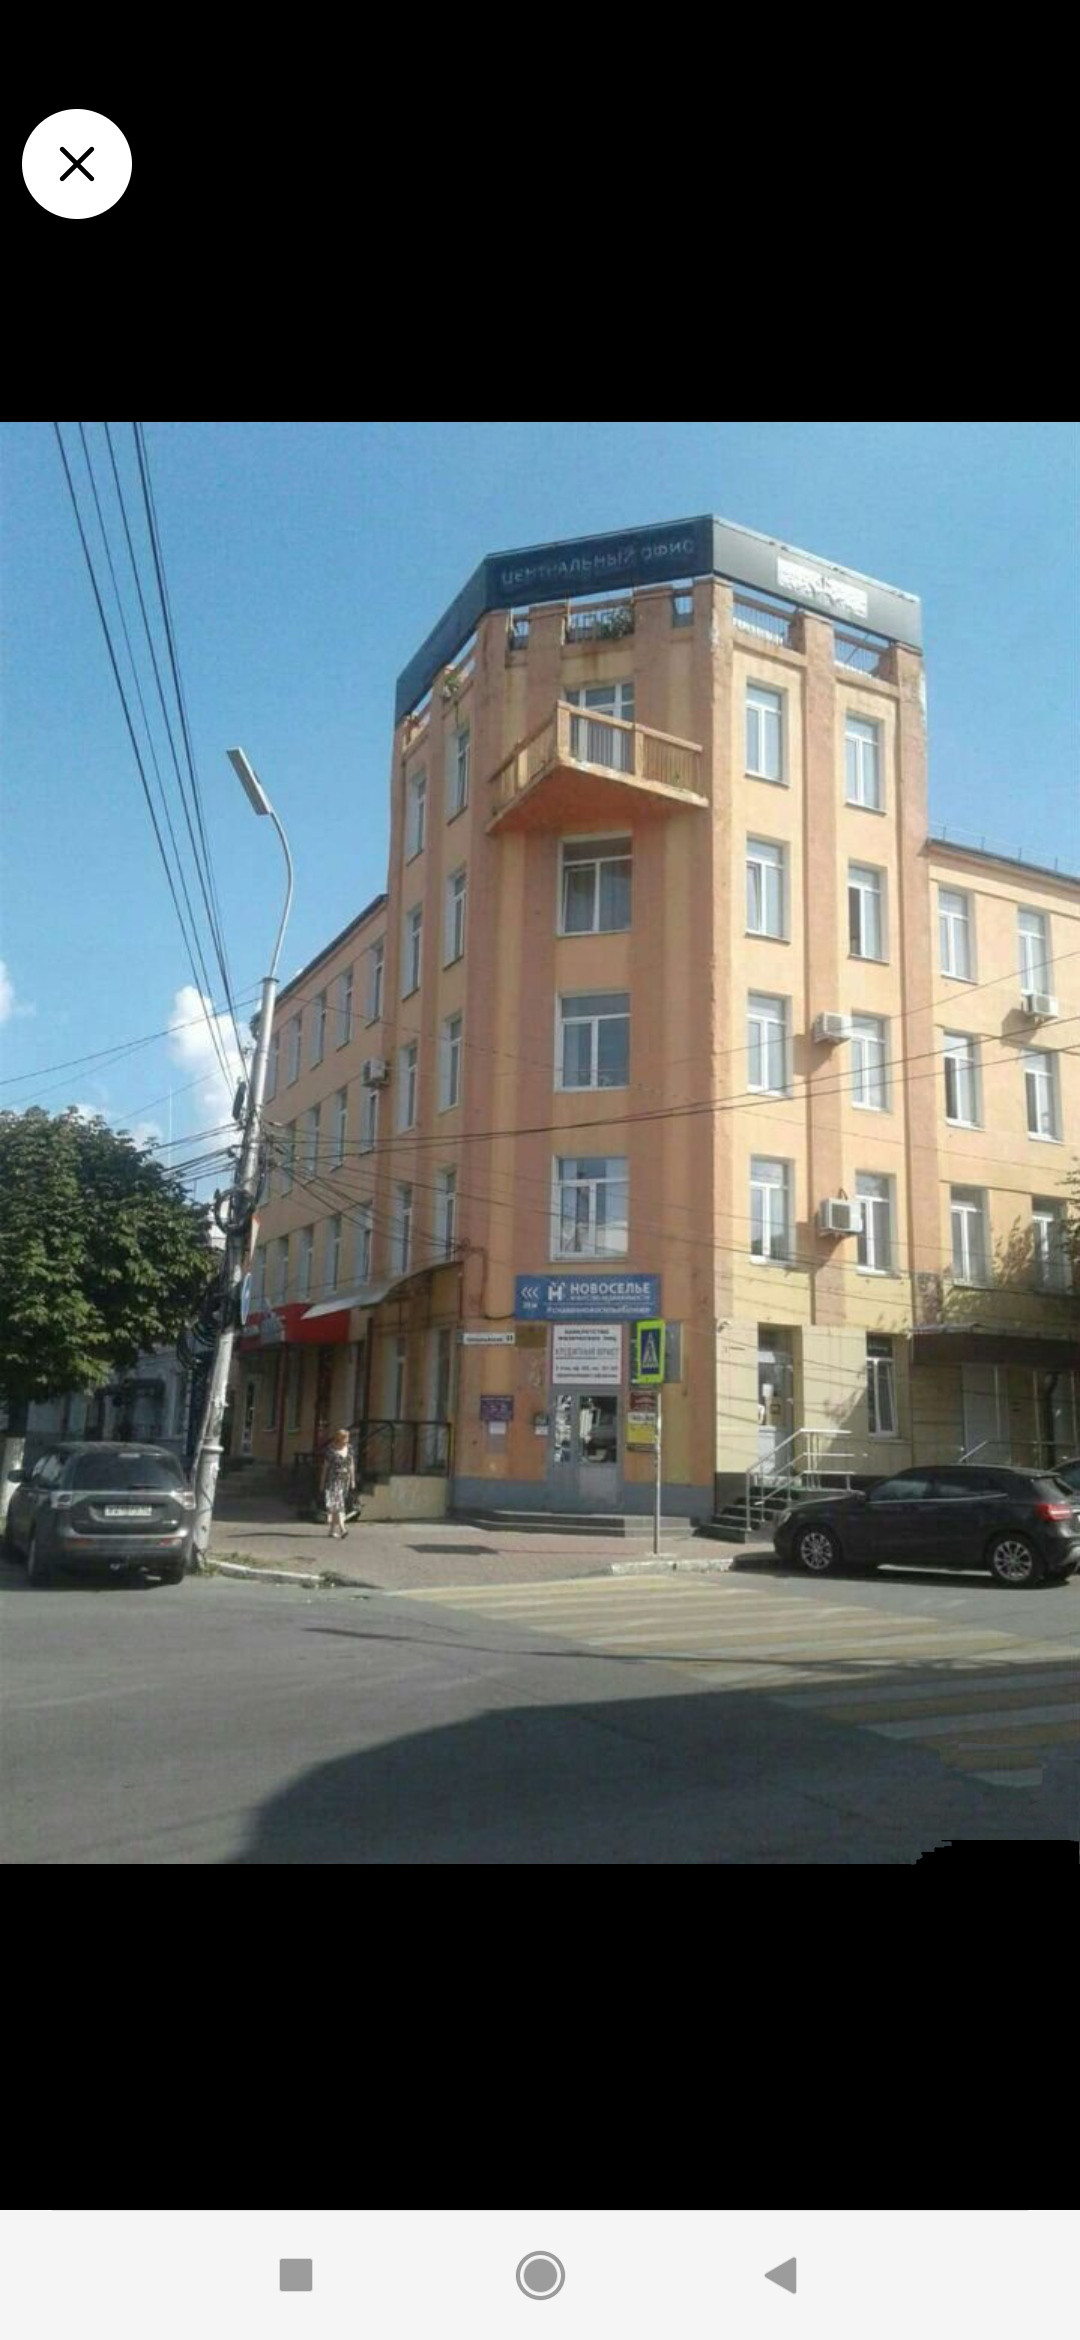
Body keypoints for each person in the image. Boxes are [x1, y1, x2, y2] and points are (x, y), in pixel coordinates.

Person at [319, 1428, 357, 1539]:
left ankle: (331, 1530)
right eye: (345, 1438)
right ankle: (342, 1528)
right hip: (333, 1481)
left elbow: (351, 1465)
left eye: (348, 1438)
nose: (347, 1440)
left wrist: (353, 1480)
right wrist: (322, 1482)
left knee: (336, 1506)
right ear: (339, 1438)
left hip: (345, 1481)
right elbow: (325, 1467)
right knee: (338, 1504)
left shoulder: (350, 1449)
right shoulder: (331, 1450)